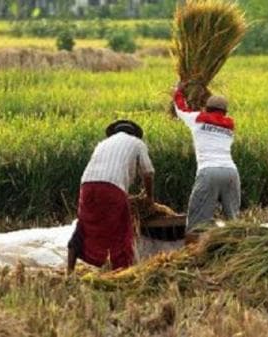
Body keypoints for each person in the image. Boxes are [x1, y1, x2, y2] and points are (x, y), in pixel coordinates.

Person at [67, 120, 154, 274]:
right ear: (134, 134)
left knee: (84, 225)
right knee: (121, 230)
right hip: (112, 187)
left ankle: (70, 270)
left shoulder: (102, 144)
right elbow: (148, 172)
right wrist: (149, 197)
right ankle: (120, 272)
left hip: (87, 185)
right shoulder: (137, 143)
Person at [173, 82, 240, 241]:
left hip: (209, 171)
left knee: (197, 221)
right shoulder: (230, 124)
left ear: (206, 108)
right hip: (231, 172)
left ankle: (192, 253)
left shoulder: (197, 118)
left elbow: (180, 108)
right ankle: (239, 252)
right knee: (234, 221)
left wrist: (178, 91)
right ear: (225, 112)